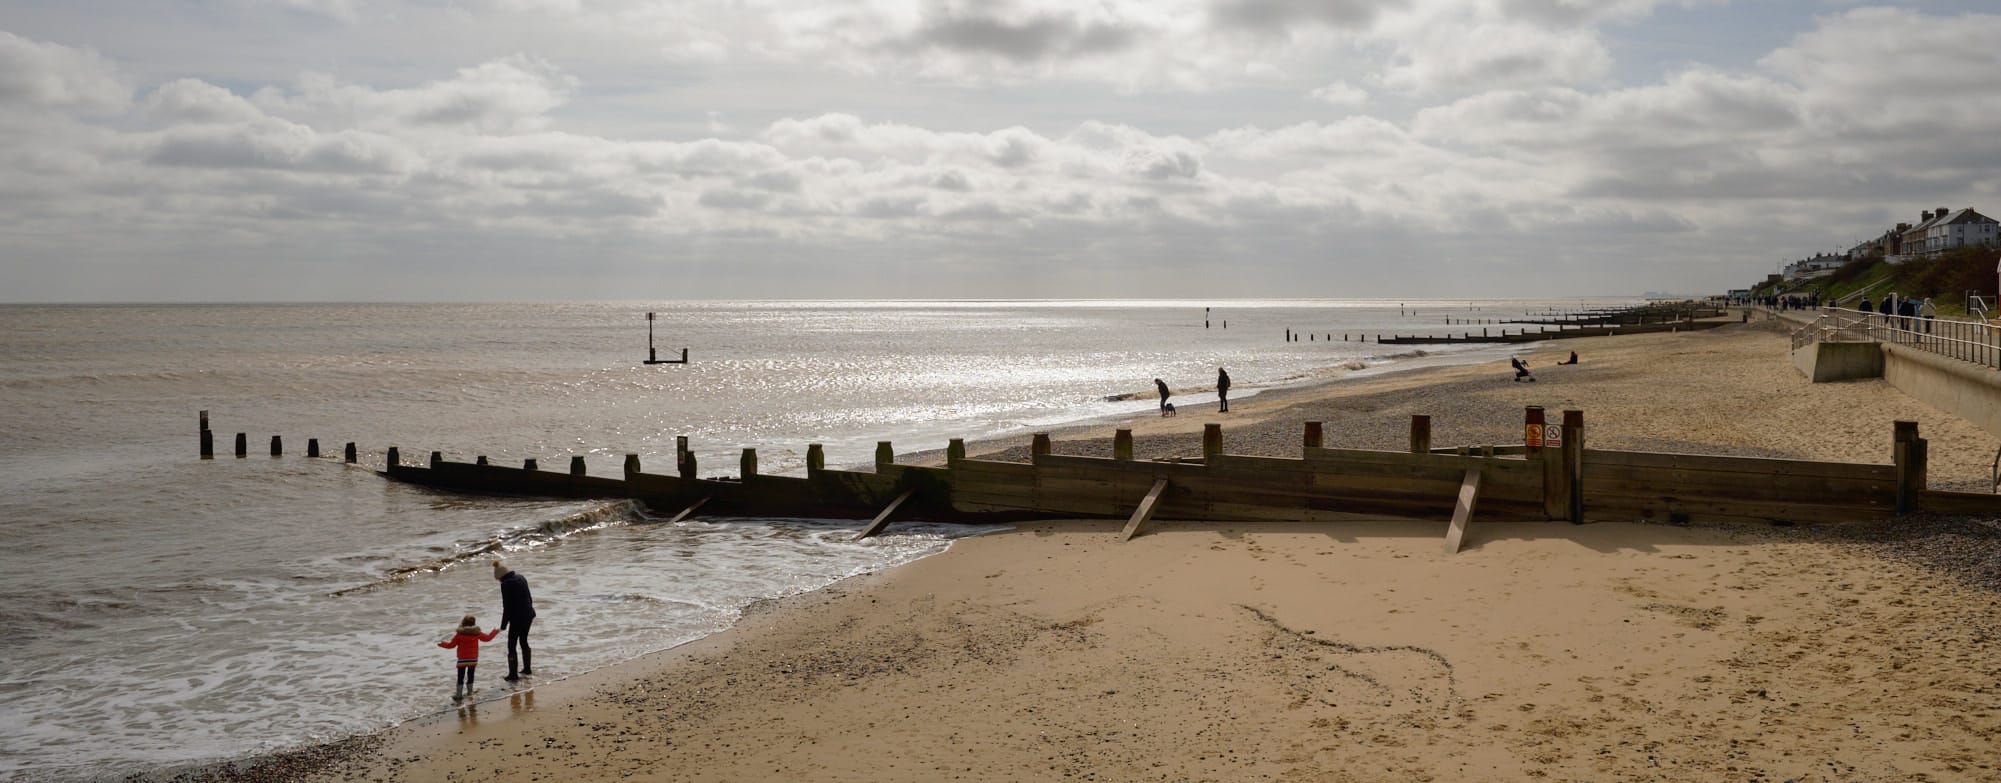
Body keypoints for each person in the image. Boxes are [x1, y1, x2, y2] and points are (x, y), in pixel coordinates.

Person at [438, 614, 501, 702]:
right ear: (473, 624)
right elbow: (488, 638)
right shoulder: (476, 633)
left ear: (463, 623)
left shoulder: (459, 634)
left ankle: (459, 694)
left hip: (462, 660)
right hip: (473, 659)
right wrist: (495, 631)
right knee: (470, 675)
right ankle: (470, 692)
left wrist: (442, 644)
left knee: (460, 676)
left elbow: (451, 645)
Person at [493, 560, 535, 681]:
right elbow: (529, 597)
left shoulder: (506, 584)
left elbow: (507, 606)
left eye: (498, 579)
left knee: (511, 646)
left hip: (517, 618)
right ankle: (527, 669)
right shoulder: (521, 577)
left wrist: (503, 625)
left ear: (500, 577)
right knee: (524, 641)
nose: (499, 581)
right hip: (529, 614)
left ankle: (513, 675)